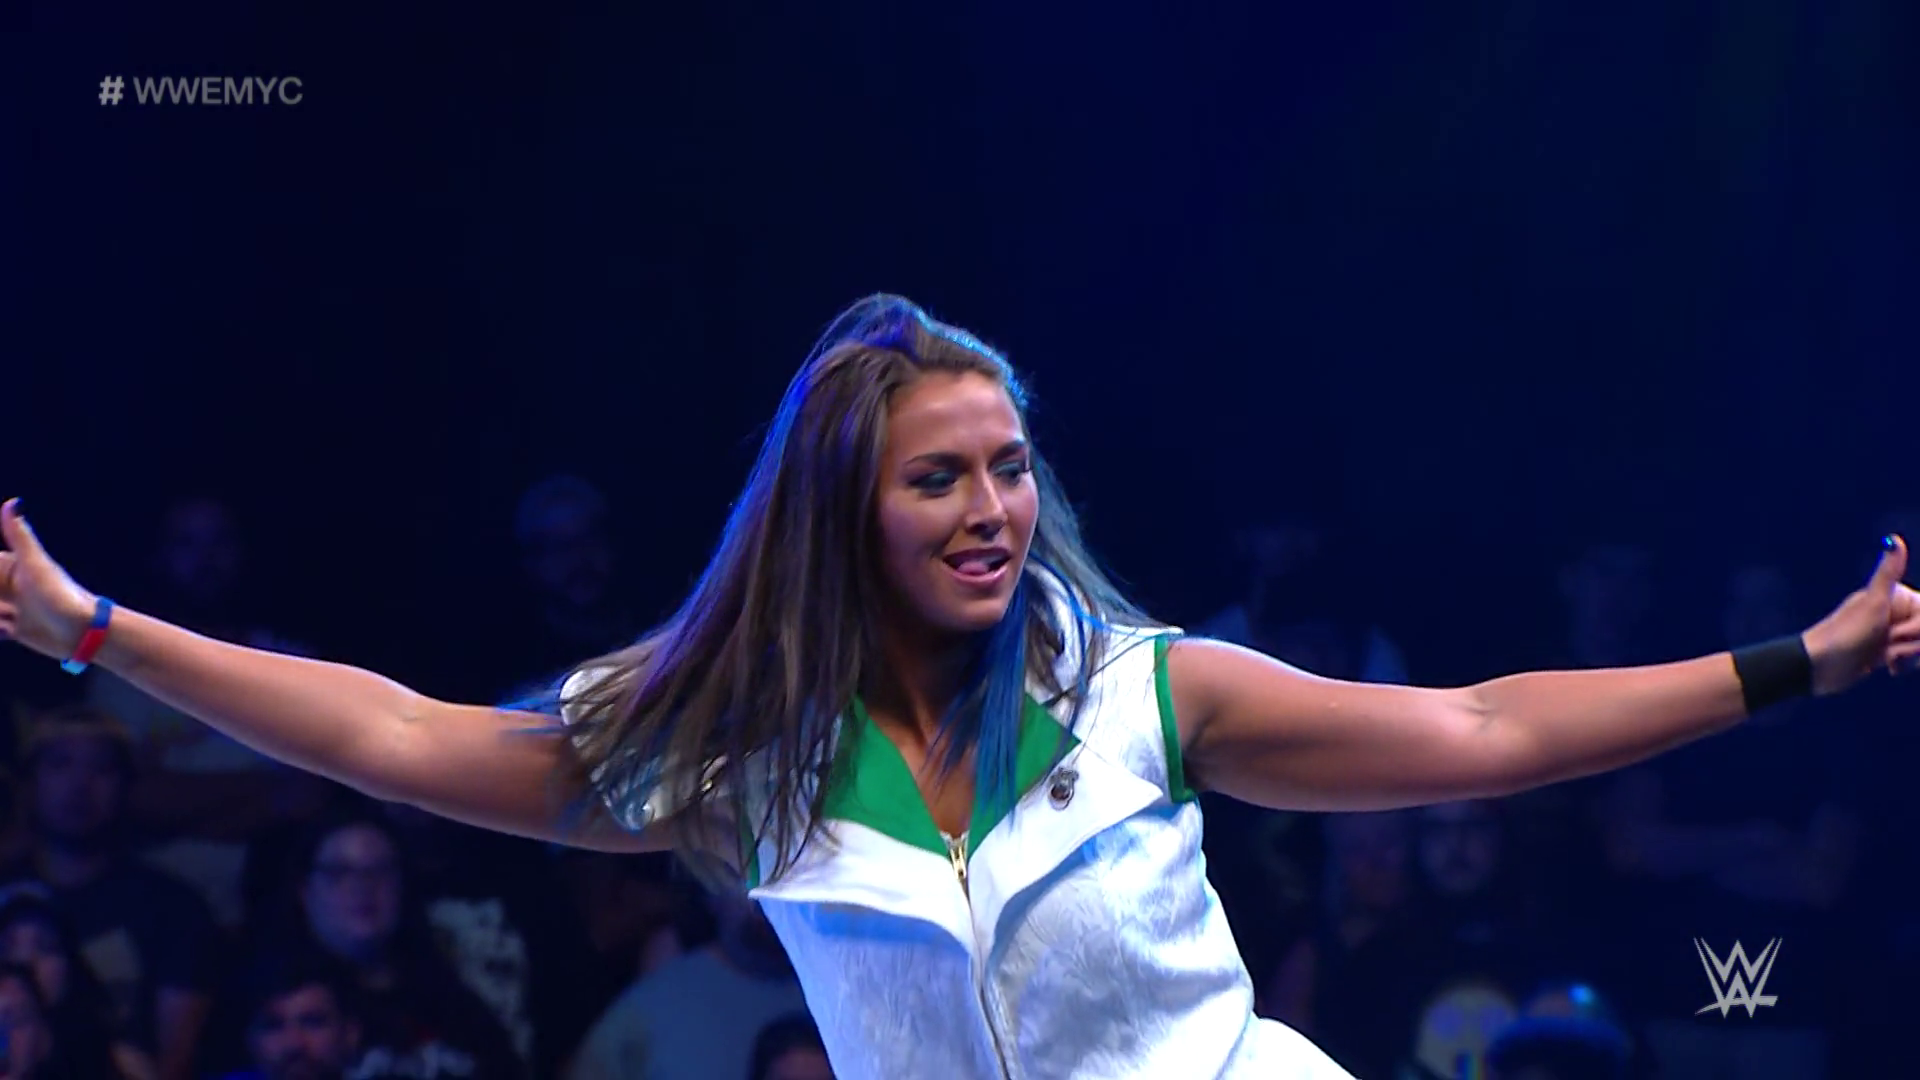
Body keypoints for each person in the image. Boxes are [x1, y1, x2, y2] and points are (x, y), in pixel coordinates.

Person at [0, 294, 1914, 1080]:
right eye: (940, 479)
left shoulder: (1148, 694)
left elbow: (1485, 730)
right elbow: (399, 734)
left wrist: (1799, 664)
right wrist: (96, 634)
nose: (994, 510)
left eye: (1008, 468)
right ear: (847, 509)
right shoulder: (737, 766)